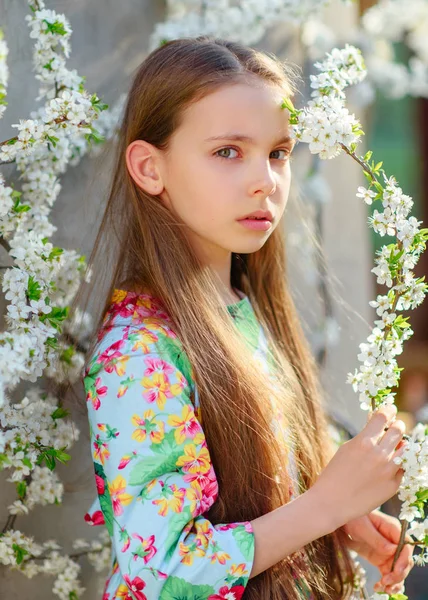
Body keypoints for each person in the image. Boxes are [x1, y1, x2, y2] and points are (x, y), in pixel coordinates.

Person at [79, 36, 414, 600]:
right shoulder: (139, 352)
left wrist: (337, 516)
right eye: (228, 152)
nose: (266, 180)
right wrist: (324, 504)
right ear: (149, 166)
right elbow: (160, 575)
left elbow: (256, 472)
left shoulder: (240, 303)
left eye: (278, 152)